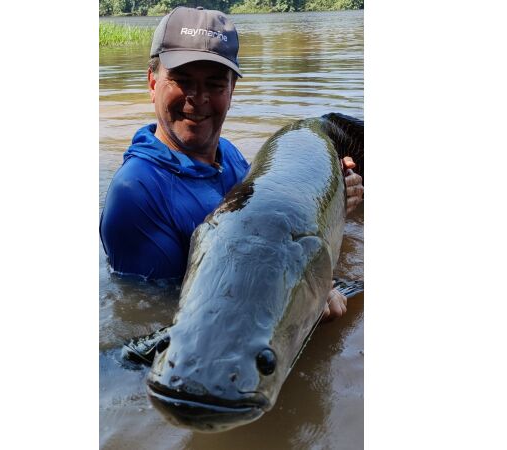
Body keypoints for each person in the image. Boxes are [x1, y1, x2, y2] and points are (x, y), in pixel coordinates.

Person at [100, 6, 364, 322]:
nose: (198, 97)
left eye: (214, 84)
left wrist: (334, 201)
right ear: (153, 83)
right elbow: (164, 326)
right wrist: (301, 307)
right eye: (182, 80)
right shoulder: (135, 194)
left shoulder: (228, 154)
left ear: (231, 90)